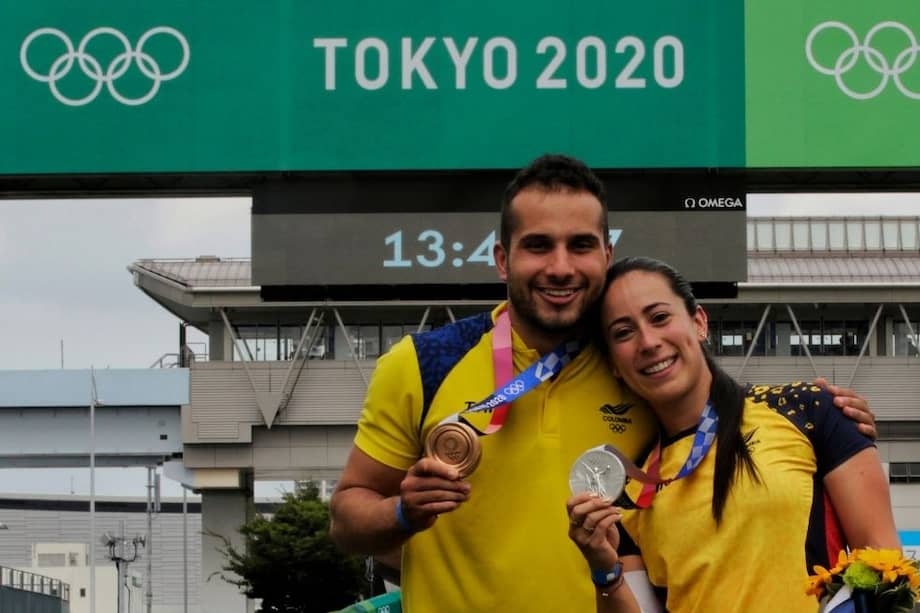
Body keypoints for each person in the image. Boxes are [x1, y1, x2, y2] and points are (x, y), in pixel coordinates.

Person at [329, 154, 877, 613]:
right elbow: (347, 519)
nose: (561, 267)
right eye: (538, 245)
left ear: (605, 254)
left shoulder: (633, 367)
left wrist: (823, 415)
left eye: (581, 245)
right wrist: (402, 512)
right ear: (502, 259)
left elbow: (710, 406)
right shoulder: (423, 364)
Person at [566, 257, 900, 613]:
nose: (648, 342)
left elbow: (884, 561)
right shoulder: (628, 491)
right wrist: (605, 571)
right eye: (623, 332)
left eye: (660, 317)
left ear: (699, 322)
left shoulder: (808, 409)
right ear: (614, 364)